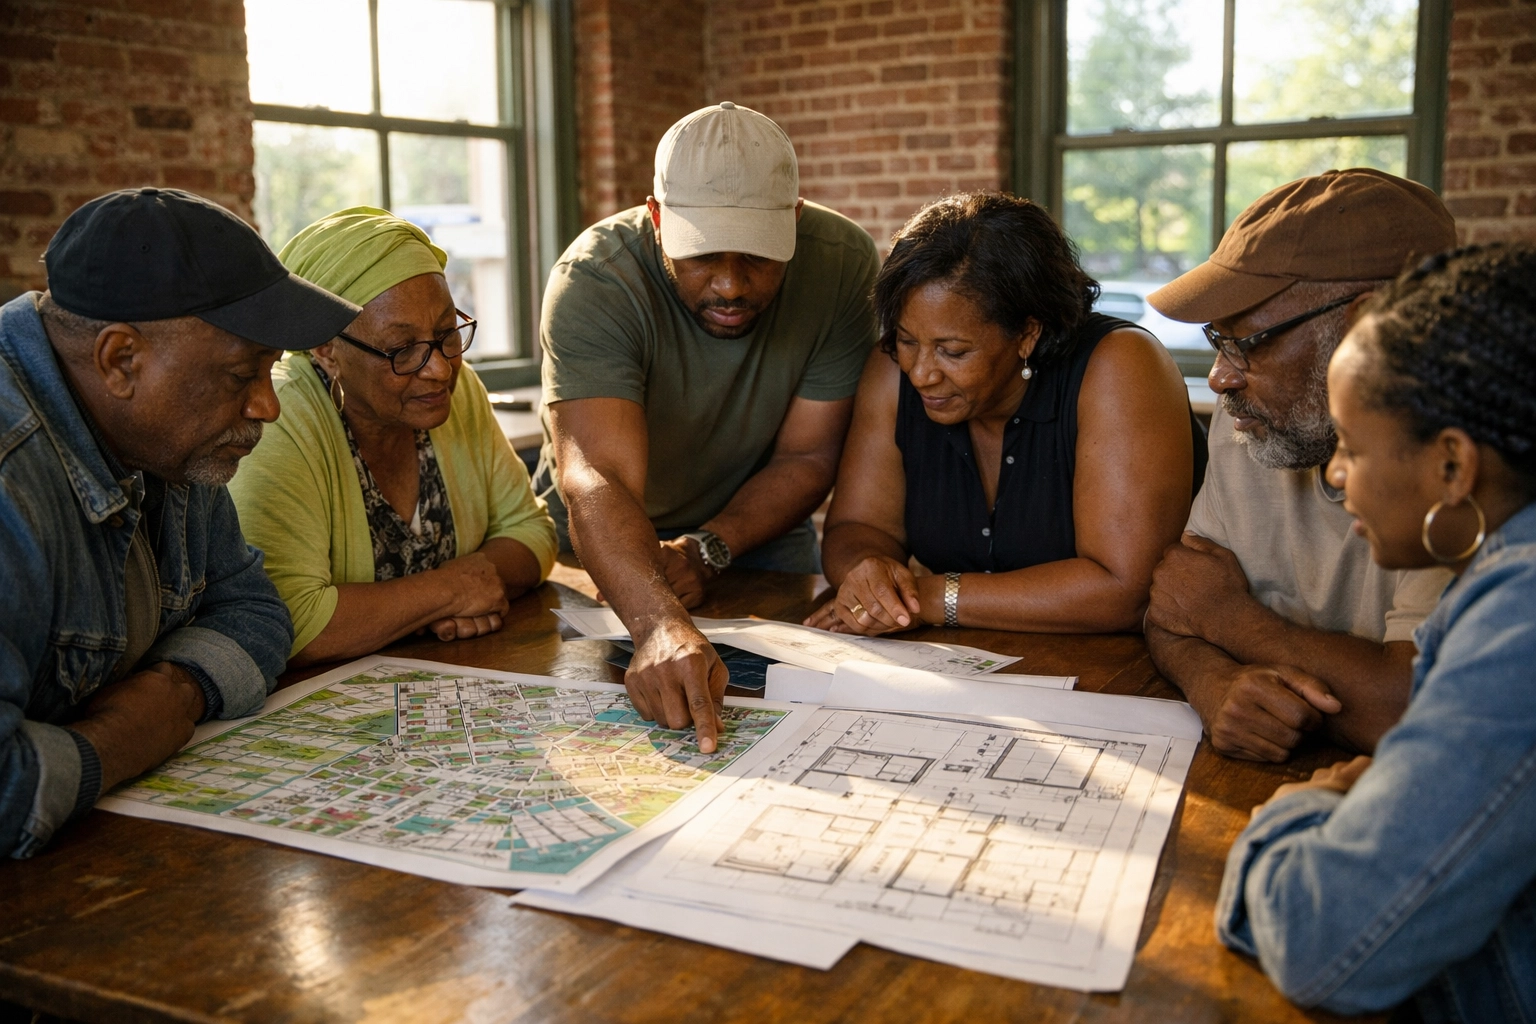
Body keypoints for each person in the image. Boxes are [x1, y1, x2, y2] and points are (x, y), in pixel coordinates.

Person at [1217, 244, 1536, 1022]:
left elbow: (1323, 939)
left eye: (1353, 450)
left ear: (1453, 467)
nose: (1334, 475)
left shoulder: (1519, 626)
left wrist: (1296, 811)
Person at [0, 187, 360, 858]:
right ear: (120, 361)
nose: (267, 407)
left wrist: (178, 689)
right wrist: (122, 739)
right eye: (238, 375)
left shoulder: (171, 441)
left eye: (272, 370)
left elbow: (254, 609)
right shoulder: (10, 479)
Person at [536, 102, 877, 751]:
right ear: (657, 219)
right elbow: (596, 475)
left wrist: (708, 548)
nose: (730, 284)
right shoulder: (596, 280)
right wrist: (657, 620)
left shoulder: (843, 266)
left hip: (757, 532)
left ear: (794, 223)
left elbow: (809, 457)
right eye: (701, 256)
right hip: (605, 546)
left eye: (757, 256)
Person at [1143, 169, 1457, 762]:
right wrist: (1211, 684)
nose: (1221, 377)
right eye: (1217, 339)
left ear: (1367, 325)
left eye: (1250, 340)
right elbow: (1176, 607)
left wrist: (1234, 623)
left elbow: (1409, 710)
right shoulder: (1254, 428)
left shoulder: (1471, 473)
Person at [803, 191, 1201, 636]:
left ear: (1027, 334)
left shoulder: (1121, 364)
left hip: (1119, 665)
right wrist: (870, 574)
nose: (919, 374)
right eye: (906, 339)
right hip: (966, 667)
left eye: (953, 351)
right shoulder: (892, 371)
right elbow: (857, 526)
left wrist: (927, 595)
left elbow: (1124, 589)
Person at [228, 209, 557, 665]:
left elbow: (534, 533)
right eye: (403, 350)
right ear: (327, 350)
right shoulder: (283, 415)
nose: (440, 368)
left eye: (447, 334)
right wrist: (452, 591)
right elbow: (288, 619)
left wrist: (418, 604)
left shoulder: (454, 396)